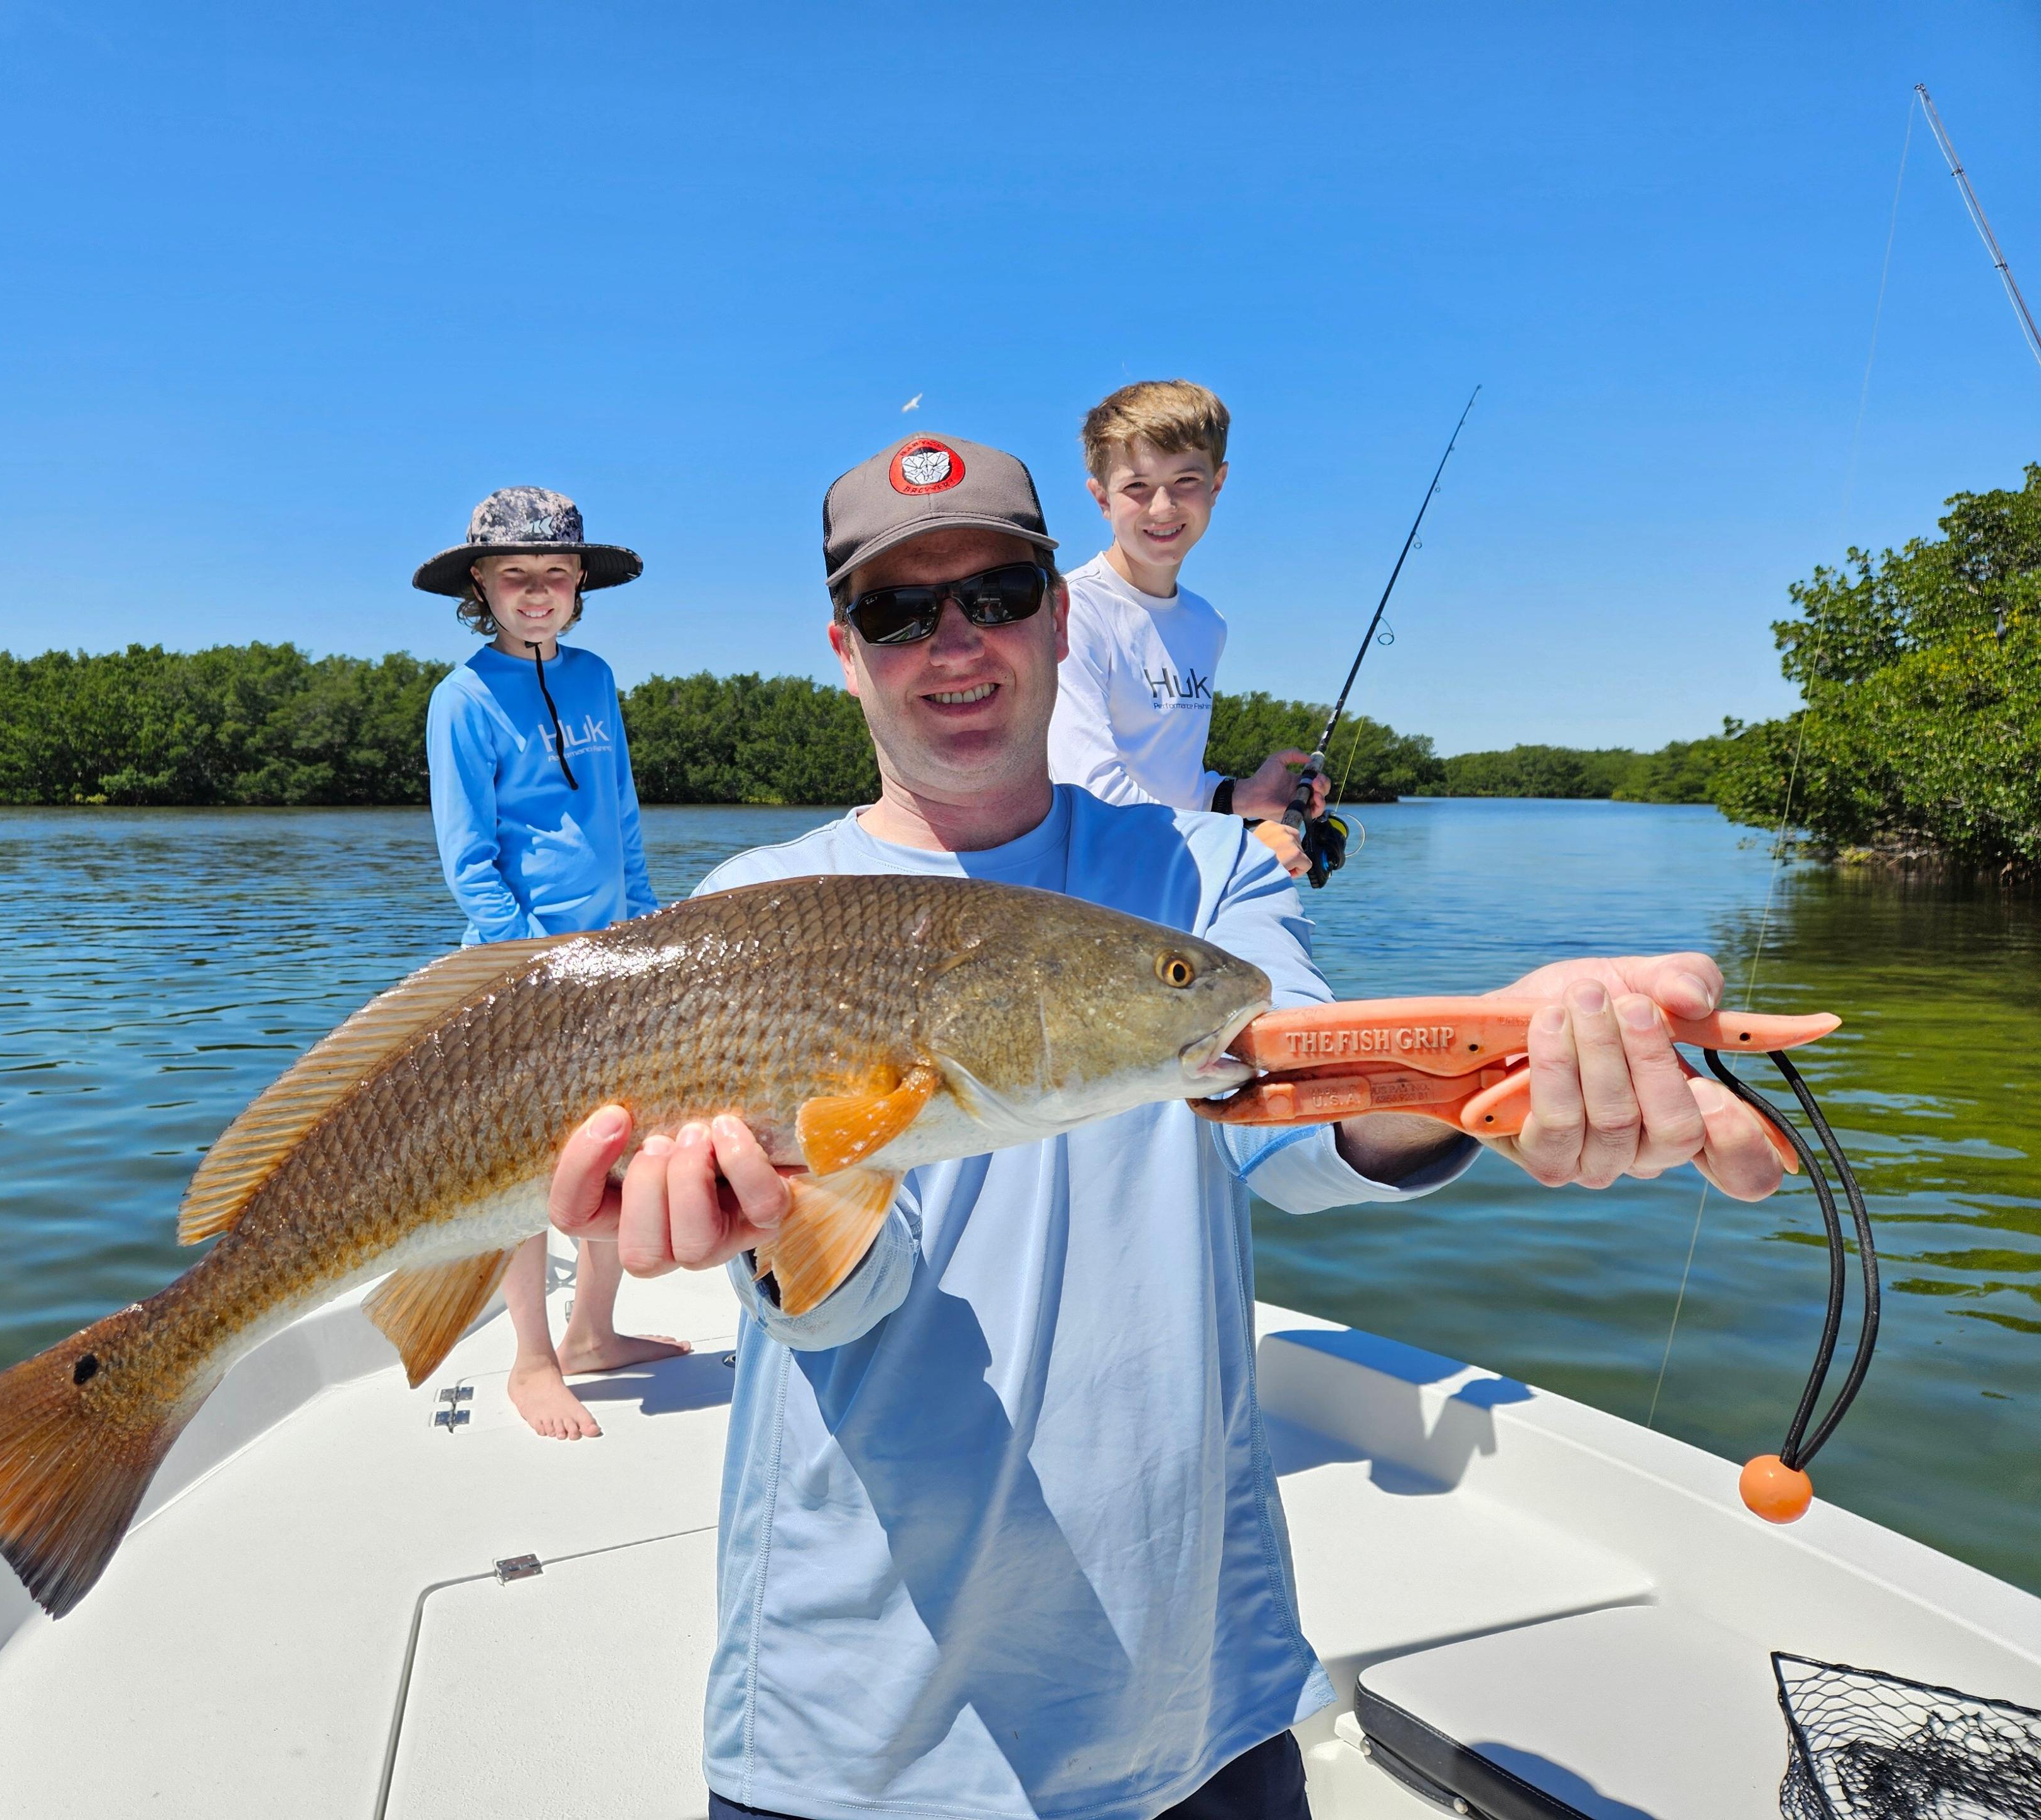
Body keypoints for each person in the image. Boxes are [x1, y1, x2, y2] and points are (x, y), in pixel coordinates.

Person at [540, 430, 1786, 1820]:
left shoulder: (1202, 880)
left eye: (998, 597)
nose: (955, 644)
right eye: (900, 612)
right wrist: (766, 1237)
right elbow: (831, 1301)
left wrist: (1481, 1062)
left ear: (1062, 618)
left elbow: (1293, 1126)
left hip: (1197, 1696)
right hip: (857, 1727)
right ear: (847, 650)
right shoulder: (759, 901)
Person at [414, 486, 686, 1440]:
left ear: (580, 589)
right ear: (480, 588)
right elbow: (469, 858)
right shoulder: (462, 700)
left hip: (616, 961)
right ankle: (530, 1360)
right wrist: (531, 955)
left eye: (556, 578)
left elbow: (620, 820)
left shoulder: (597, 677)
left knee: (620, 1146)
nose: (538, 594)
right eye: (516, 578)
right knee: (523, 1177)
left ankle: (594, 1335)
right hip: (516, 973)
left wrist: (646, 928)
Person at [1047, 380, 1322, 871]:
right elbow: (1091, 791)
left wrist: (1241, 797)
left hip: (1170, 881)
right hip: (1089, 885)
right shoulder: (1072, 610)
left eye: (1186, 482)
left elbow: (1175, 786)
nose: (1163, 507)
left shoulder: (1207, 624)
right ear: (1101, 499)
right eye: (1136, 486)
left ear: (1217, 486)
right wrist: (1238, 850)